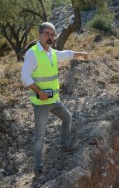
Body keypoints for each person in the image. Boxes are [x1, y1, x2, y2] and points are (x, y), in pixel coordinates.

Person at [21, 22, 89, 178]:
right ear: (39, 34)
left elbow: (65, 54)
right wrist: (39, 91)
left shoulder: (51, 52)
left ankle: (64, 146)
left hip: (54, 100)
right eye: (47, 33)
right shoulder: (33, 53)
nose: (50, 37)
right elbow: (24, 77)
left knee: (68, 118)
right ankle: (37, 168)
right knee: (40, 136)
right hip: (41, 103)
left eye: (52, 34)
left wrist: (80, 54)